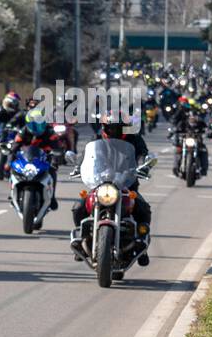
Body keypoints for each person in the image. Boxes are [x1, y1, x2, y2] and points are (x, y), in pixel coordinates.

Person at [69, 113, 154, 266]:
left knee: (143, 208)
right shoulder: (97, 138)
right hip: (100, 183)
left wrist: (144, 166)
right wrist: (78, 167)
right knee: (79, 207)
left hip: (126, 184)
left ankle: (143, 244)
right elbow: (85, 155)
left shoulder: (133, 138)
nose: (113, 130)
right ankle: (82, 240)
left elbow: (142, 154)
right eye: (110, 127)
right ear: (105, 127)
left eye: (117, 127)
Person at [9, 109, 66, 210]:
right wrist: (11, 153)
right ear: (28, 124)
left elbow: (57, 148)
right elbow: (15, 145)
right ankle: (12, 192)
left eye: (39, 124)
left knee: (52, 172)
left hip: (43, 160)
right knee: (13, 169)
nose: (37, 127)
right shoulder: (23, 131)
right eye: (34, 124)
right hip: (26, 160)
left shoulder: (50, 132)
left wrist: (56, 159)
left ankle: (52, 197)